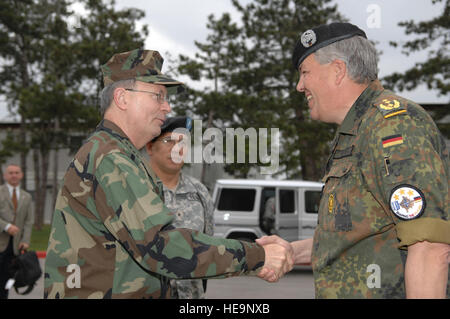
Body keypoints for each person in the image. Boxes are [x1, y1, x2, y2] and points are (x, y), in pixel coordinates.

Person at [44, 48, 293, 299]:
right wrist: (257, 256)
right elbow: (159, 246)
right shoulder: (111, 158)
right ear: (122, 98)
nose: (167, 107)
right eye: (158, 96)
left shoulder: (117, 153)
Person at [257, 22, 449, 298]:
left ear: (337, 70)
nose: (300, 86)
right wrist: (292, 250)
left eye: (305, 73)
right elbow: (359, 234)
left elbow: (429, 245)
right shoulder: (357, 132)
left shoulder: (392, 127)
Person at [145, 115, 214, 299]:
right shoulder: (137, 190)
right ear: (150, 147)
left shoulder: (200, 192)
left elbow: (208, 248)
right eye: (169, 141)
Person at [0, 164, 34, 299]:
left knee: (7, 281)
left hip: (15, 247)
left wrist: (25, 240)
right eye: (10, 173)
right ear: (5, 176)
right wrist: (6, 226)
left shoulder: (27, 197)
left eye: (17, 172)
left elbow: (28, 221)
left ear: (21, 175)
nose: (14, 175)